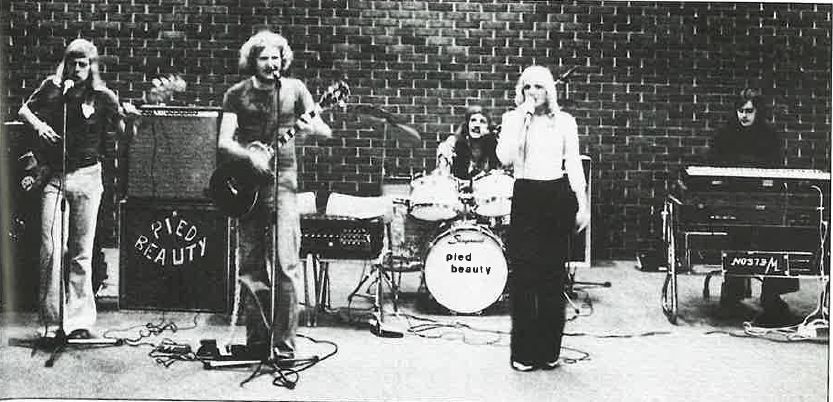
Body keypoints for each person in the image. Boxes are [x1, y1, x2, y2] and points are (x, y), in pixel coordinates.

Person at [217, 30, 332, 359]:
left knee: (285, 265)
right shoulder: (236, 94)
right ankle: (257, 341)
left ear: (284, 61)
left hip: (284, 185)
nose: (271, 64)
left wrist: (311, 127)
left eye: (276, 58)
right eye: (264, 58)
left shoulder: (295, 89)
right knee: (251, 265)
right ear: (253, 61)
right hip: (248, 186)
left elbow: (324, 130)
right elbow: (224, 141)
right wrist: (249, 156)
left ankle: (284, 347)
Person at [18, 39, 139, 338]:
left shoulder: (103, 96)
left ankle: (79, 321)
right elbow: (24, 110)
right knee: (51, 248)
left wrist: (132, 121)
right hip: (55, 176)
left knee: (81, 252)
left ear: (92, 66)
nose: (77, 68)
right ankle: (52, 322)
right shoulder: (53, 88)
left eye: (83, 63)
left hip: (87, 176)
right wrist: (39, 126)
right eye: (72, 62)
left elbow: (124, 135)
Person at [496, 66, 590, 371]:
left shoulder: (564, 122)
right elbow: (505, 157)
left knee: (552, 276)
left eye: (538, 86)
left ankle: (549, 350)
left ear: (549, 90)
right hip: (526, 194)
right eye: (527, 87)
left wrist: (583, 204)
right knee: (524, 276)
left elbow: (573, 163)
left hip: (555, 194)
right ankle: (523, 352)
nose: (532, 92)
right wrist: (521, 120)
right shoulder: (512, 119)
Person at [712, 88, 800, 327]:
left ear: (758, 112)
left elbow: (774, 166)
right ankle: (732, 295)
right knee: (736, 239)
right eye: (740, 110)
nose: (744, 115)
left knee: (775, 239)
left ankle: (772, 297)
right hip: (735, 199)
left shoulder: (769, 135)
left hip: (764, 200)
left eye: (749, 111)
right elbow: (716, 162)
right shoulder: (725, 134)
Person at [436, 106, 501, 180]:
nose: (476, 125)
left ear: (488, 128)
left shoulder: (494, 146)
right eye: (473, 120)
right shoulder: (453, 143)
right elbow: (443, 176)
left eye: (482, 122)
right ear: (468, 124)